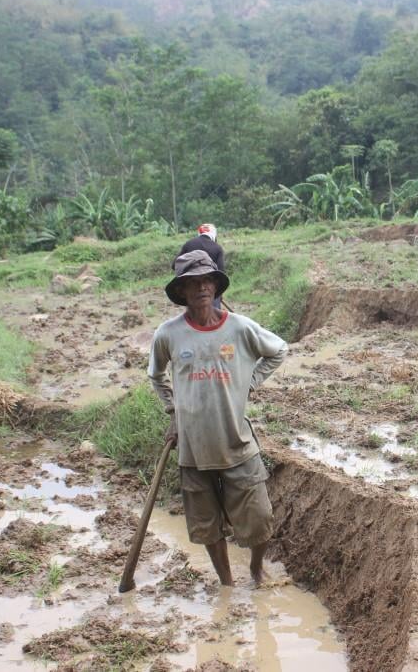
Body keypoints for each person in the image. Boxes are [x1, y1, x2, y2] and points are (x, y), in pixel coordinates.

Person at [148, 250, 288, 586]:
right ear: (181, 291)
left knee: (259, 517)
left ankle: (255, 569)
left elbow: (278, 350)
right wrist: (173, 411)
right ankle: (226, 582)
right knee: (206, 524)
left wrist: (249, 382)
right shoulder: (168, 334)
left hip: (236, 442)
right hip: (193, 450)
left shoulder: (239, 328)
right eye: (191, 283)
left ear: (215, 285)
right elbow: (156, 376)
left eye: (206, 280)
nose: (200, 288)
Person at [176, 224, 225, 310]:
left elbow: (174, 265)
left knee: (194, 317)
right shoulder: (217, 248)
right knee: (214, 315)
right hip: (211, 289)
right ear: (214, 234)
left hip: (192, 288)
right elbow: (221, 272)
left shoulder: (189, 244)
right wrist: (220, 294)